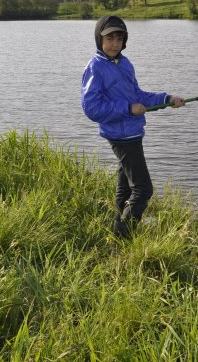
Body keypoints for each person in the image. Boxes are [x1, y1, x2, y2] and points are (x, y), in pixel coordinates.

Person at [81, 15, 184, 238]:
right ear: (99, 39)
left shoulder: (124, 63)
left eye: (119, 38)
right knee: (144, 189)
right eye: (109, 38)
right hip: (122, 136)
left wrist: (167, 99)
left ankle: (119, 221)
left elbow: (138, 95)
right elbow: (91, 108)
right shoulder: (95, 67)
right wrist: (128, 108)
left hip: (131, 132)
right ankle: (123, 236)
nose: (114, 43)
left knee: (126, 185)